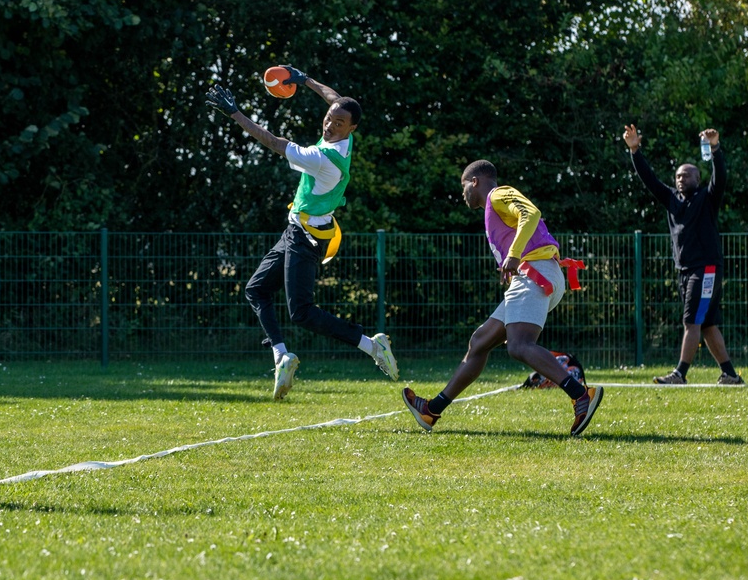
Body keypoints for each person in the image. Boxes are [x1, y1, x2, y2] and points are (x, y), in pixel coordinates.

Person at [205, 66, 398, 399]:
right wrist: (303, 78)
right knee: (256, 290)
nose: (330, 124)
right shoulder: (344, 131)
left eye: (339, 123)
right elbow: (335, 99)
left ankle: (371, 345)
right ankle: (281, 356)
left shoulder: (322, 158)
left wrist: (235, 113)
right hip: (299, 229)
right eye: (329, 118)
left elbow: (273, 143)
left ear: (351, 128)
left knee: (302, 313)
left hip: (306, 237)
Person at [401, 160, 603, 436]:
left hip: (536, 272)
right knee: (480, 341)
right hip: (534, 274)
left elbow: (530, 213)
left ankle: (581, 394)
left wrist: (514, 254)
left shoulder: (497, 193)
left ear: (475, 182)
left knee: (519, 345)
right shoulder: (492, 208)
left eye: (463, 187)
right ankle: (431, 409)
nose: (463, 195)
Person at [622, 124, 743, 385]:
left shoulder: (707, 198)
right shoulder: (672, 200)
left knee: (691, 322)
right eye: (678, 176)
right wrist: (635, 151)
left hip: (706, 268)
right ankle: (731, 375)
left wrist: (715, 148)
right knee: (708, 325)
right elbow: (650, 179)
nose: (680, 179)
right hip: (685, 270)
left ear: (697, 180)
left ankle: (679, 374)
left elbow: (720, 177)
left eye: (686, 176)